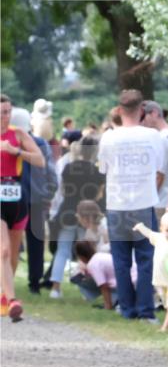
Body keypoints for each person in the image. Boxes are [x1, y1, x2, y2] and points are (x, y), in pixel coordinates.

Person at [97, 90, 166, 321]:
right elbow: (158, 167)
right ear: (142, 110)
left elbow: (103, 169)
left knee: (121, 260)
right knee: (146, 259)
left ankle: (127, 308)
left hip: (117, 204)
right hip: (143, 203)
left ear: (119, 110)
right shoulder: (153, 136)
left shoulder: (108, 137)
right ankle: (145, 309)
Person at [0, 95, 45, 322]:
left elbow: (40, 160)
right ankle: (13, 300)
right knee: (4, 250)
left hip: (17, 198)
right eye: (2, 112)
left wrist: (16, 152)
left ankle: (3, 295)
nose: (5, 116)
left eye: (8, 111)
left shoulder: (18, 134)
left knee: (14, 253)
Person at [49, 136, 104, 298]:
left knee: (62, 250)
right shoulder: (97, 172)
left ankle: (55, 288)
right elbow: (99, 195)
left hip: (67, 211)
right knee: (86, 253)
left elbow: (63, 190)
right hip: (87, 215)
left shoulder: (68, 168)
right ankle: (87, 289)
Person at [133, 212, 168, 332]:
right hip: (160, 280)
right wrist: (140, 227)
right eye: (167, 230)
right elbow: (149, 233)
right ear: (161, 229)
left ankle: (164, 329)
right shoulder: (159, 239)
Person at [142, 100, 168, 221]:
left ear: (154, 113)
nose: (141, 121)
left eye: (143, 116)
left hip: (162, 201)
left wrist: (147, 201)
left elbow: (159, 175)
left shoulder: (161, 138)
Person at [73, 239, 117, 310]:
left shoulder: (93, 264)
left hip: (119, 286)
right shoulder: (99, 256)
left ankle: (110, 303)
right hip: (125, 282)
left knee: (81, 281)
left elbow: (103, 285)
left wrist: (107, 306)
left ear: (81, 257)